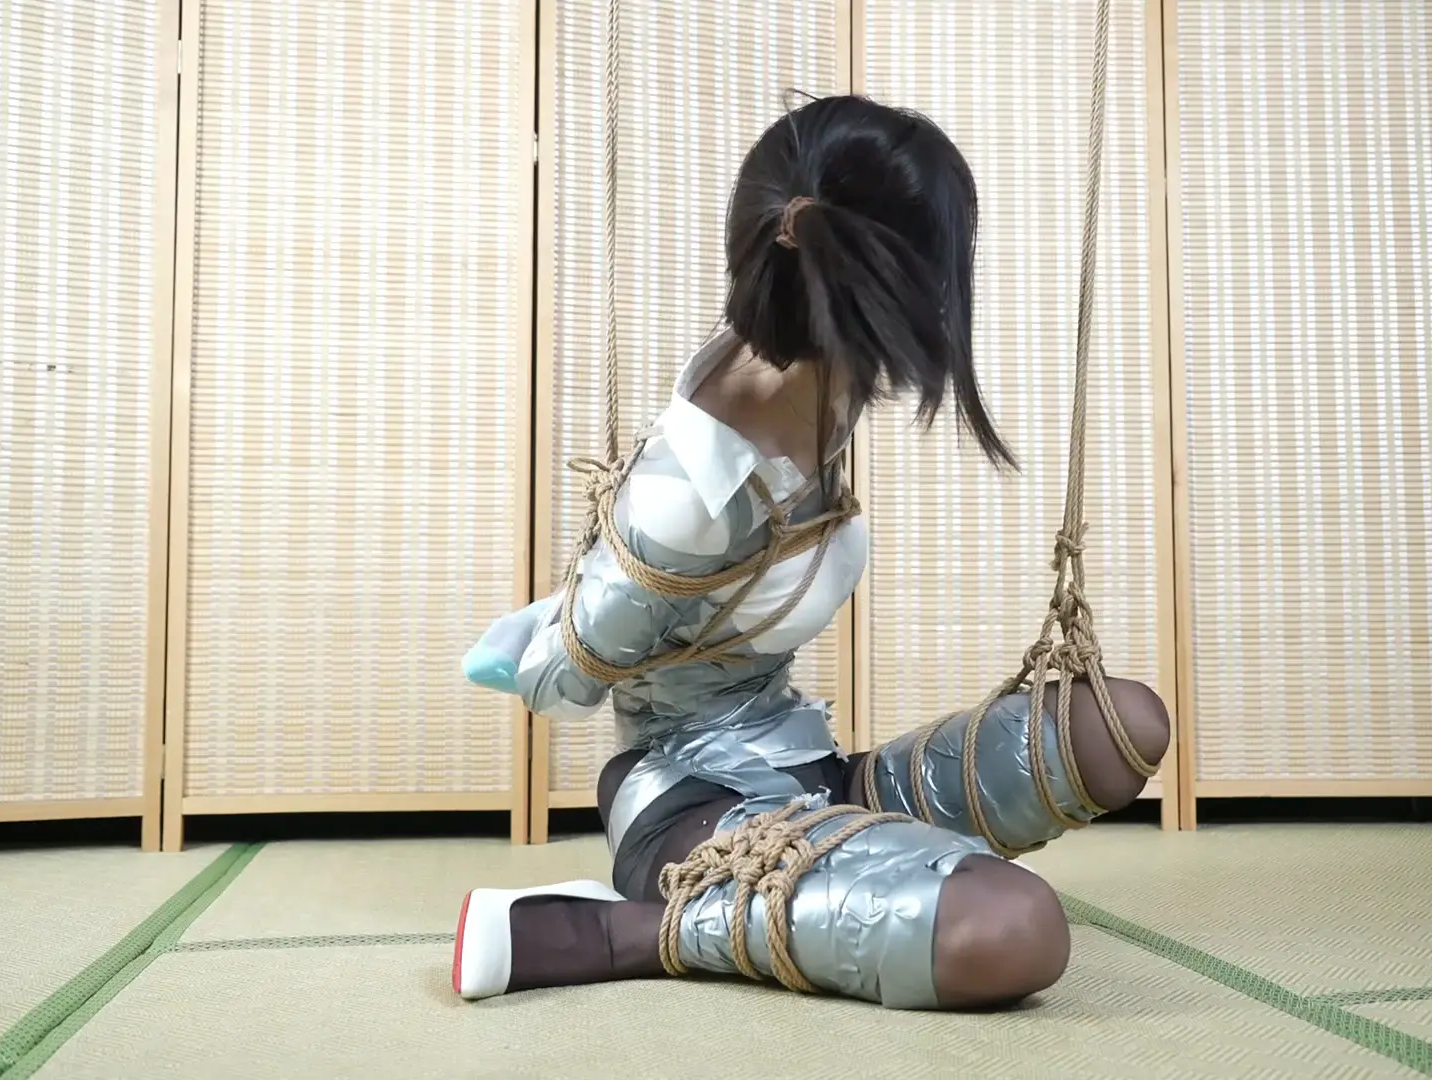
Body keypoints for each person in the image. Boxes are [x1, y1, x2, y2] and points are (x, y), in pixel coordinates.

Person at [453, 94, 1170, 1011]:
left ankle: (849, 850)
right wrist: (548, 632)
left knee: (1121, 728)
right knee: (1014, 930)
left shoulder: (827, 377)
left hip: (812, 768)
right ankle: (626, 928)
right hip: (692, 805)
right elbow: (566, 678)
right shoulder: (689, 494)